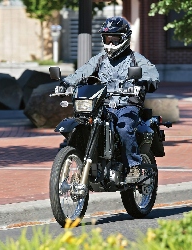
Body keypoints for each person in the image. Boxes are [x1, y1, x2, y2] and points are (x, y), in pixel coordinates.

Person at [61, 16, 159, 183]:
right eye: (108, 39)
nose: (111, 44)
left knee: (124, 128)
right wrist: (66, 83)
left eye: (115, 39)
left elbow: (152, 75)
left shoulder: (136, 59)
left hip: (127, 105)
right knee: (84, 124)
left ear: (125, 38)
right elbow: (82, 72)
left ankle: (134, 167)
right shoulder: (99, 59)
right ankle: (74, 158)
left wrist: (145, 82)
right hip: (103, 105)